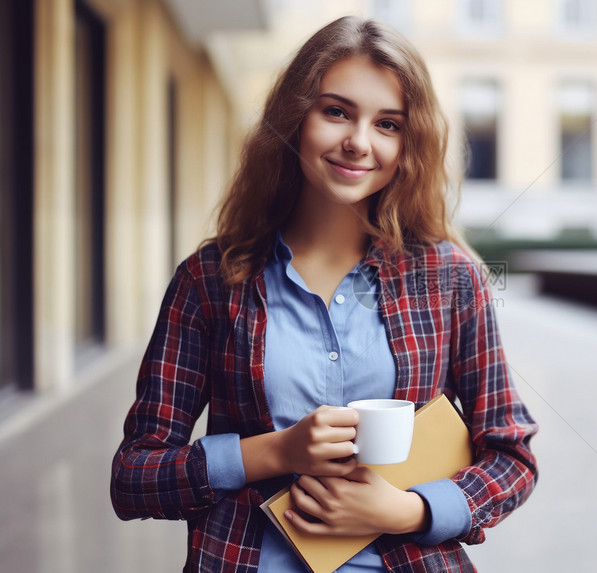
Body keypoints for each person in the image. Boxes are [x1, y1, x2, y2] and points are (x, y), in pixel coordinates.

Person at [110, 15, 537, 573]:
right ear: (294, 118)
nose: (358, 143)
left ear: (411, 143)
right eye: (336, 111)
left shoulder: (450, 278)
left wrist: (410, 510)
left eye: (388, 124)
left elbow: (513, 456)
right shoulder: (210, 279)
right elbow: (133, 478)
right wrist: (272, 453)